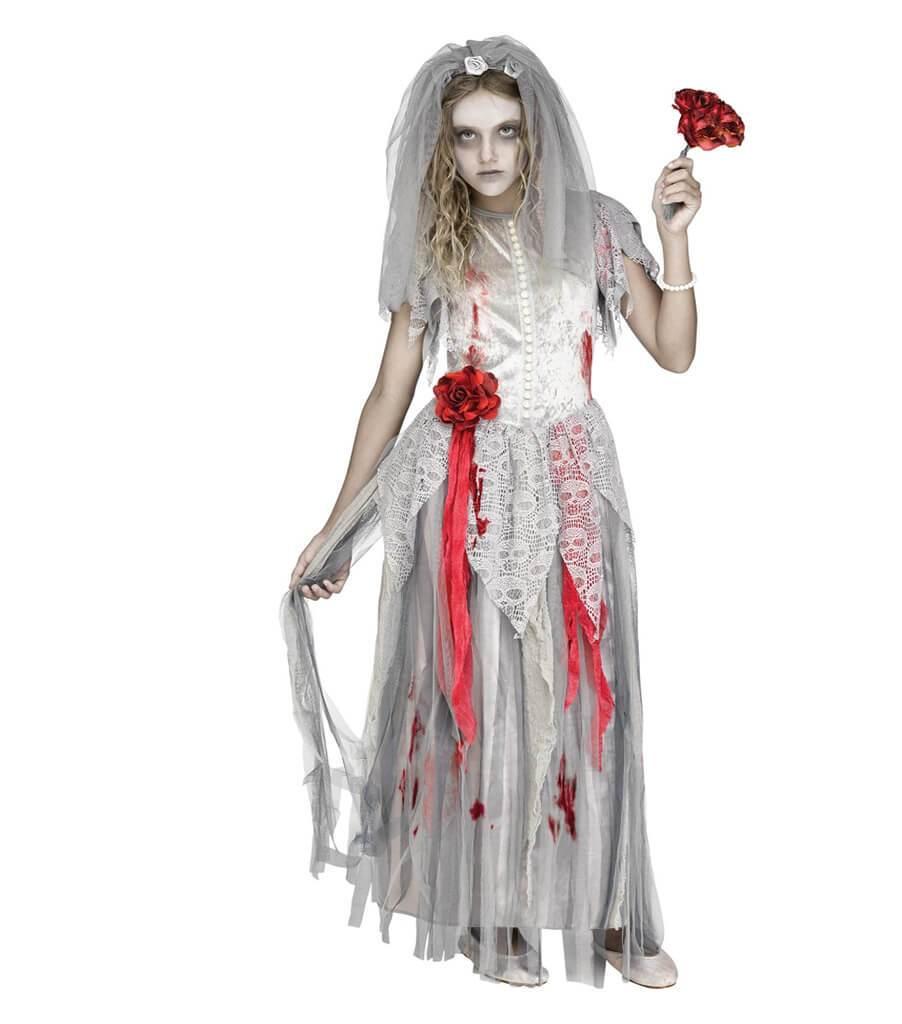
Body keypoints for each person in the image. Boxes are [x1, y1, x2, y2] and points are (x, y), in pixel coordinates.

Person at [280, 35, 699, 989]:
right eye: (466, 137)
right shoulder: (436, 242)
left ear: (534, 130)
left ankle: (609, 906)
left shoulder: (595, 225)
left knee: (593, 692)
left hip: (574, 478)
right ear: (444, 146)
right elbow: (390, 391)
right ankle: (491, 908)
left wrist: (673, 240)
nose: (488, 154)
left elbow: (674, 352)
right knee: (489, 694)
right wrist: (337, 525)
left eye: (505, 131)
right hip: (469, 489)